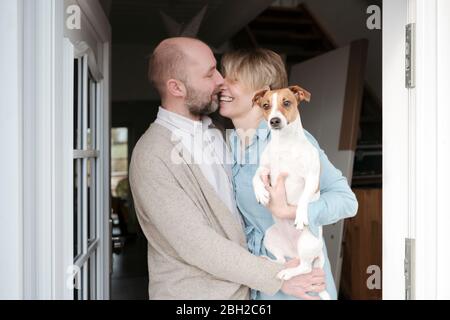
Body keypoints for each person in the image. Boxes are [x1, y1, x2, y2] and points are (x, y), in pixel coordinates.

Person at [129, 37, 326, 300]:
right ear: (176, 87)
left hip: (247, 291)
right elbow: (195, 243)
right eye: (210, 73)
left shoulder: (222, 134)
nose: (221, 80)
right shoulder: (152, 155)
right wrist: (277, 276)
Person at [218, 48, 359, 300]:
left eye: (233, 79)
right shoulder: (229, 146)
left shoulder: (294, 142)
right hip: (260, 282)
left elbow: (346, 200)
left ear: (263, 89)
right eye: (222, 75)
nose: (221, 84)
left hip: (300, 287)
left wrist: (292, 212)